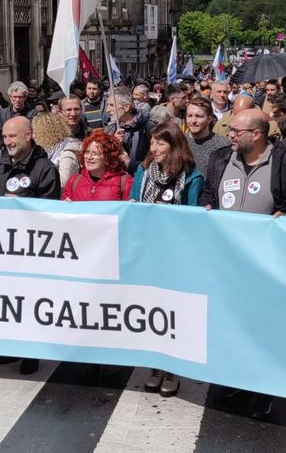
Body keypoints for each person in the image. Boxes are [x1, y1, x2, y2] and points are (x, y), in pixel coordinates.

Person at [198, 109, 286, 419]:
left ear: (256, 134)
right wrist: (207, 206)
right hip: (227, 263)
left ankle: (263, 390)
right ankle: (231, 379)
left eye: (236, 131)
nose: (229, 134)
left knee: (263, 330)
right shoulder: (219, 160)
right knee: (228, 324)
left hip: (266, 265)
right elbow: (207, 193)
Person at [129, 123, 202, 397]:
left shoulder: (191, 177)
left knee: (174, 312)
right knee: (152, 311)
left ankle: (173, 368)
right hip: (149, 253)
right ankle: (155, 364)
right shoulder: (143, 172)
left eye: (161, 144)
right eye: (152, 143)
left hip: (177, 256)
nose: (154, 148)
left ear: (174, 146)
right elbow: (132, 204)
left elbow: (192, 217)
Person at [0, 116, 60, 375]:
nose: (7, 142)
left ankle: (32, 352)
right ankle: (12, 346)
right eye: (4, 137)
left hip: (32, 250)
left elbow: (51, 211)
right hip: (3, 248)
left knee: (30, 301)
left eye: (12, 137)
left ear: (28, 136)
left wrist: (23, 206)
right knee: (7, 300)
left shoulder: (45, 168)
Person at [62, 130, 133, 201]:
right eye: (87, 152)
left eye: (95, 154)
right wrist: (65, 205)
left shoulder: (124, 182)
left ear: (107, 158)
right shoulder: (74, 181)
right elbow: (63, 209)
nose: (89, 157)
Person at [184, 97, 228, 187]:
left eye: (199, 116)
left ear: (209, 119)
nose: (193, 121)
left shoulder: (223, 145)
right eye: (189, 116)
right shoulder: (179, 142)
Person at [32, 112, 82, 189]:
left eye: (36, 132)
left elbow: (62, 183)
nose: (33, 136)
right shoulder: (47, 152)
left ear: (46, 133)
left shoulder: (67, 153)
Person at [105, 91, 152, 167]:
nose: (107, 110)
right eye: (107, 105)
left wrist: (131, 164)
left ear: (126, 107)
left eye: (112, 105)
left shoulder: (148, 127)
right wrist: (114, 143)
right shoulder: (111, 129)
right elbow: (106, 158)